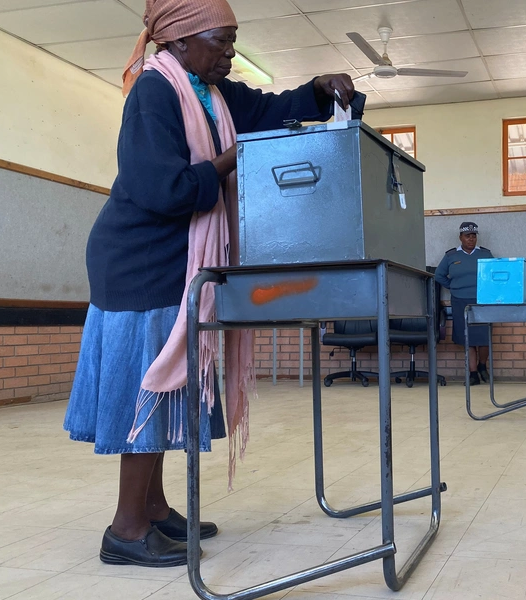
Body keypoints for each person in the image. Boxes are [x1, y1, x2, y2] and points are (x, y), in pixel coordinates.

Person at [63, 0, 361, 568]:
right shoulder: (154, 94)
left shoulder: (214, 95)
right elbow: (163, 189)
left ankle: (152, 509)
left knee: (173, 383)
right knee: (153, 382)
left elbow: (274, 109)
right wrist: (235, 158)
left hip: (174, 260)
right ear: (177, 41)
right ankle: (125, 528)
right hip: (140, 259)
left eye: (233, 41)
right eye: (221, 41)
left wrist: (320, 91)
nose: (229, 52)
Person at [434, 221, 494, 385]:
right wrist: (453, 287)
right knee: (468, 338)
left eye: (474, 236)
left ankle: (482, 366)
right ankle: (473, 374)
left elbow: (494, 275)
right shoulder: (451, 256)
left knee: (483, 337)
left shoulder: (485, 254)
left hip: (482, 301)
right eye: (467, 236)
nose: (471, 239)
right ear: (460, 237)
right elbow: (438, 276)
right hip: (460, 301)